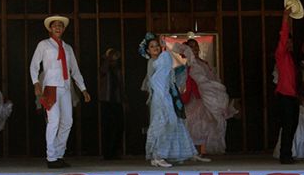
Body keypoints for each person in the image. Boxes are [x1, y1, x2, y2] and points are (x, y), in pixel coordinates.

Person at [30, 15, 91, 168]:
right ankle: (51, 157)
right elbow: (34, 65)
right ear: (50, 29)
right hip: (50, 86)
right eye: (55, 25)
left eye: (60, 25)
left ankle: (58, 154)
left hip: (65, 87)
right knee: (54, 121)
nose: (58, 27)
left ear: (63, 29)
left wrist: (83, 89)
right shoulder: (44, 45)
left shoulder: (68, 48)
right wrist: (36, 82)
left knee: (67, 121)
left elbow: (75, 70)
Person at [138, 33, 197, 168]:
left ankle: (165, 154)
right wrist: (166, 53)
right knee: (161, 124)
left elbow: (170, 77)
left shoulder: (162, 61)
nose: (156, 48)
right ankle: (157, 155)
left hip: (166, 96)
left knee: (170, 123)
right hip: (159, 97)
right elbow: (154, 81)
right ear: (147, 50)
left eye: (157, 45)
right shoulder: (154, 62)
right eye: (152, 47)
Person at [180, 38, 236, 157]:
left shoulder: (204, 63)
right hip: (194, 98)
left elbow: (211, 79)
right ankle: (193, 152)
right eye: (191, 47)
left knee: (207, 124)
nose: (194, 49)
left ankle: (204, 152)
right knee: (194, 124)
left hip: (207, 98)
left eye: (196, 46)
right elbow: (187, 82)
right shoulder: (187, 64)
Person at [274, 8, 299, 164]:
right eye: (288, 42)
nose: (289, 43)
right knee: (288, 126)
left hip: (293, 96)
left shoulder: (291, 57)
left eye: (291, 42)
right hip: (284, 96)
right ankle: (285, 155)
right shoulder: (281, 55)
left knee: (293, 126)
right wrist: (285, 17)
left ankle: (287, 153)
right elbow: (283, 36)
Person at [99, 48, 125, 160]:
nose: (114, 60)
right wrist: (107, 58)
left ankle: (115, 151)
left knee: (119, 126)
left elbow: (121, 86)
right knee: (107, 128)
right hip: (106, 101)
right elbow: (103, 70)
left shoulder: (118, 71)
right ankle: (107, 153)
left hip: (117, 101)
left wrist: (125, 101)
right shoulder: (105, 69)